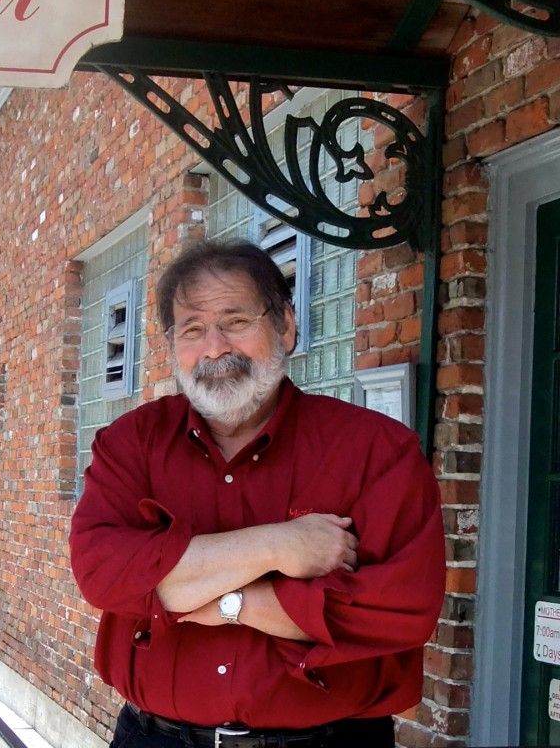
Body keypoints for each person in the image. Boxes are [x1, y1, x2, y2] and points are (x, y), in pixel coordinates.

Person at [69, 238, 446, 748]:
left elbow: (400, 610)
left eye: (236, 321)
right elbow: (103, 575)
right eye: (193, 329)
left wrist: (218, 598)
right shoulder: (129, 445)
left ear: (285, 326)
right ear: (172, 345)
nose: (215, 347)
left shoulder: (377, 450)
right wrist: (279, 547)